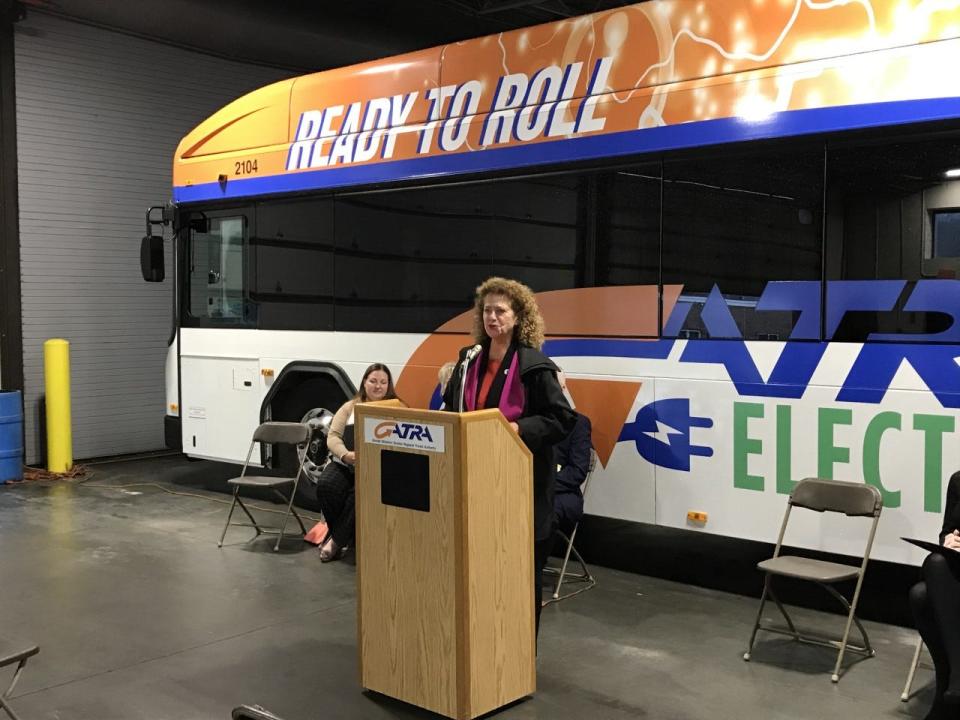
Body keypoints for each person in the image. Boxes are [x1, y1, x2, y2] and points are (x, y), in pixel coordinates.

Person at [442, 277, 577, 635]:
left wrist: (517, 429)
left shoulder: (534, 366)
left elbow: (563, 420)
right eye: (486, 310)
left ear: (518, 317)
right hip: (476, 485)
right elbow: (449, 406)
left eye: (500, 310)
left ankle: (517, 661)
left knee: (518, 579)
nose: (492, 317)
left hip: (523, 490)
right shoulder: (468, 360)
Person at [316, 363, 398, 562]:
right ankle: (344, 536)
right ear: (364, 382)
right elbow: (333, 436)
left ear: (389, 385)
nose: (378, 386)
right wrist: (345, 455)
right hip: (348, 463)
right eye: (373, 381)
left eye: (383, 382)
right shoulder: (350, 407)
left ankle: (335, 541)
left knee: (359, 492)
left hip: (378, 470)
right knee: (326, 486)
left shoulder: (397, 407)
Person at [910, 470, 960, 719]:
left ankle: (950, 691)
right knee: (937, 561)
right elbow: (947, 530)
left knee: (922, 594)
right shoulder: (959, 480)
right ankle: (951, 683)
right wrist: (949, 541)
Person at [553, 378, 593, 536]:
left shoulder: (578, 424)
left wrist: (543, 485)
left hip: (562, 492)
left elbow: (577, 472)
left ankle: (536, 560)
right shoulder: (526, 420)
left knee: (542, 513)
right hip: (528, 489)